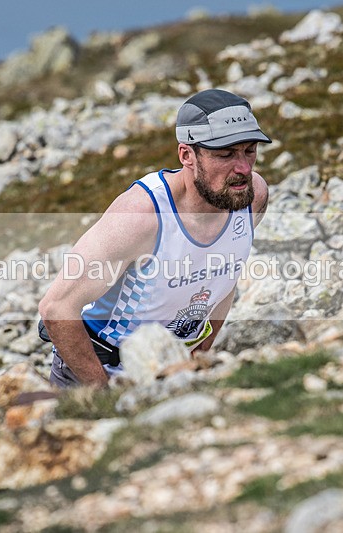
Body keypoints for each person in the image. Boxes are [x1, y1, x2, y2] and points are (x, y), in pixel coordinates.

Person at [38, 89, 272, 388]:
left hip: (174, 370)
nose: (242, 168)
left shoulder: (252, 196)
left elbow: (224, 278)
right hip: (99, 371)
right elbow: (56, 308)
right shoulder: (142, 214)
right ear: (187, 155)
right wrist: (103, 396)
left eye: (249, 151)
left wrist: (199, 358)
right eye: (225, 154)